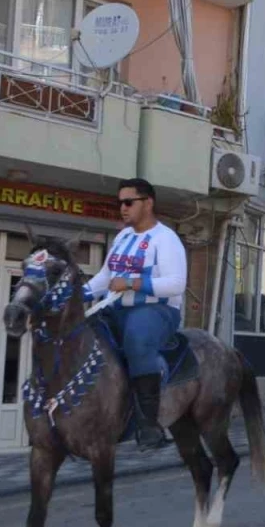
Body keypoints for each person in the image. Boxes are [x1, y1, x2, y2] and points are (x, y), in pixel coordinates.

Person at [84, 178, 188, 450]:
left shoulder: (166, 239)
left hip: (156, 310)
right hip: (116, 307)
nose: (123, 208)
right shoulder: (123, 237)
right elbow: (105, 277)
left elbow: (176, 284)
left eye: (129, 202)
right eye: (119, 203)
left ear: (148, 203)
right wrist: (78, 294)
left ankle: (149, 425)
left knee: (137, 340)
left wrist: (131, 283)